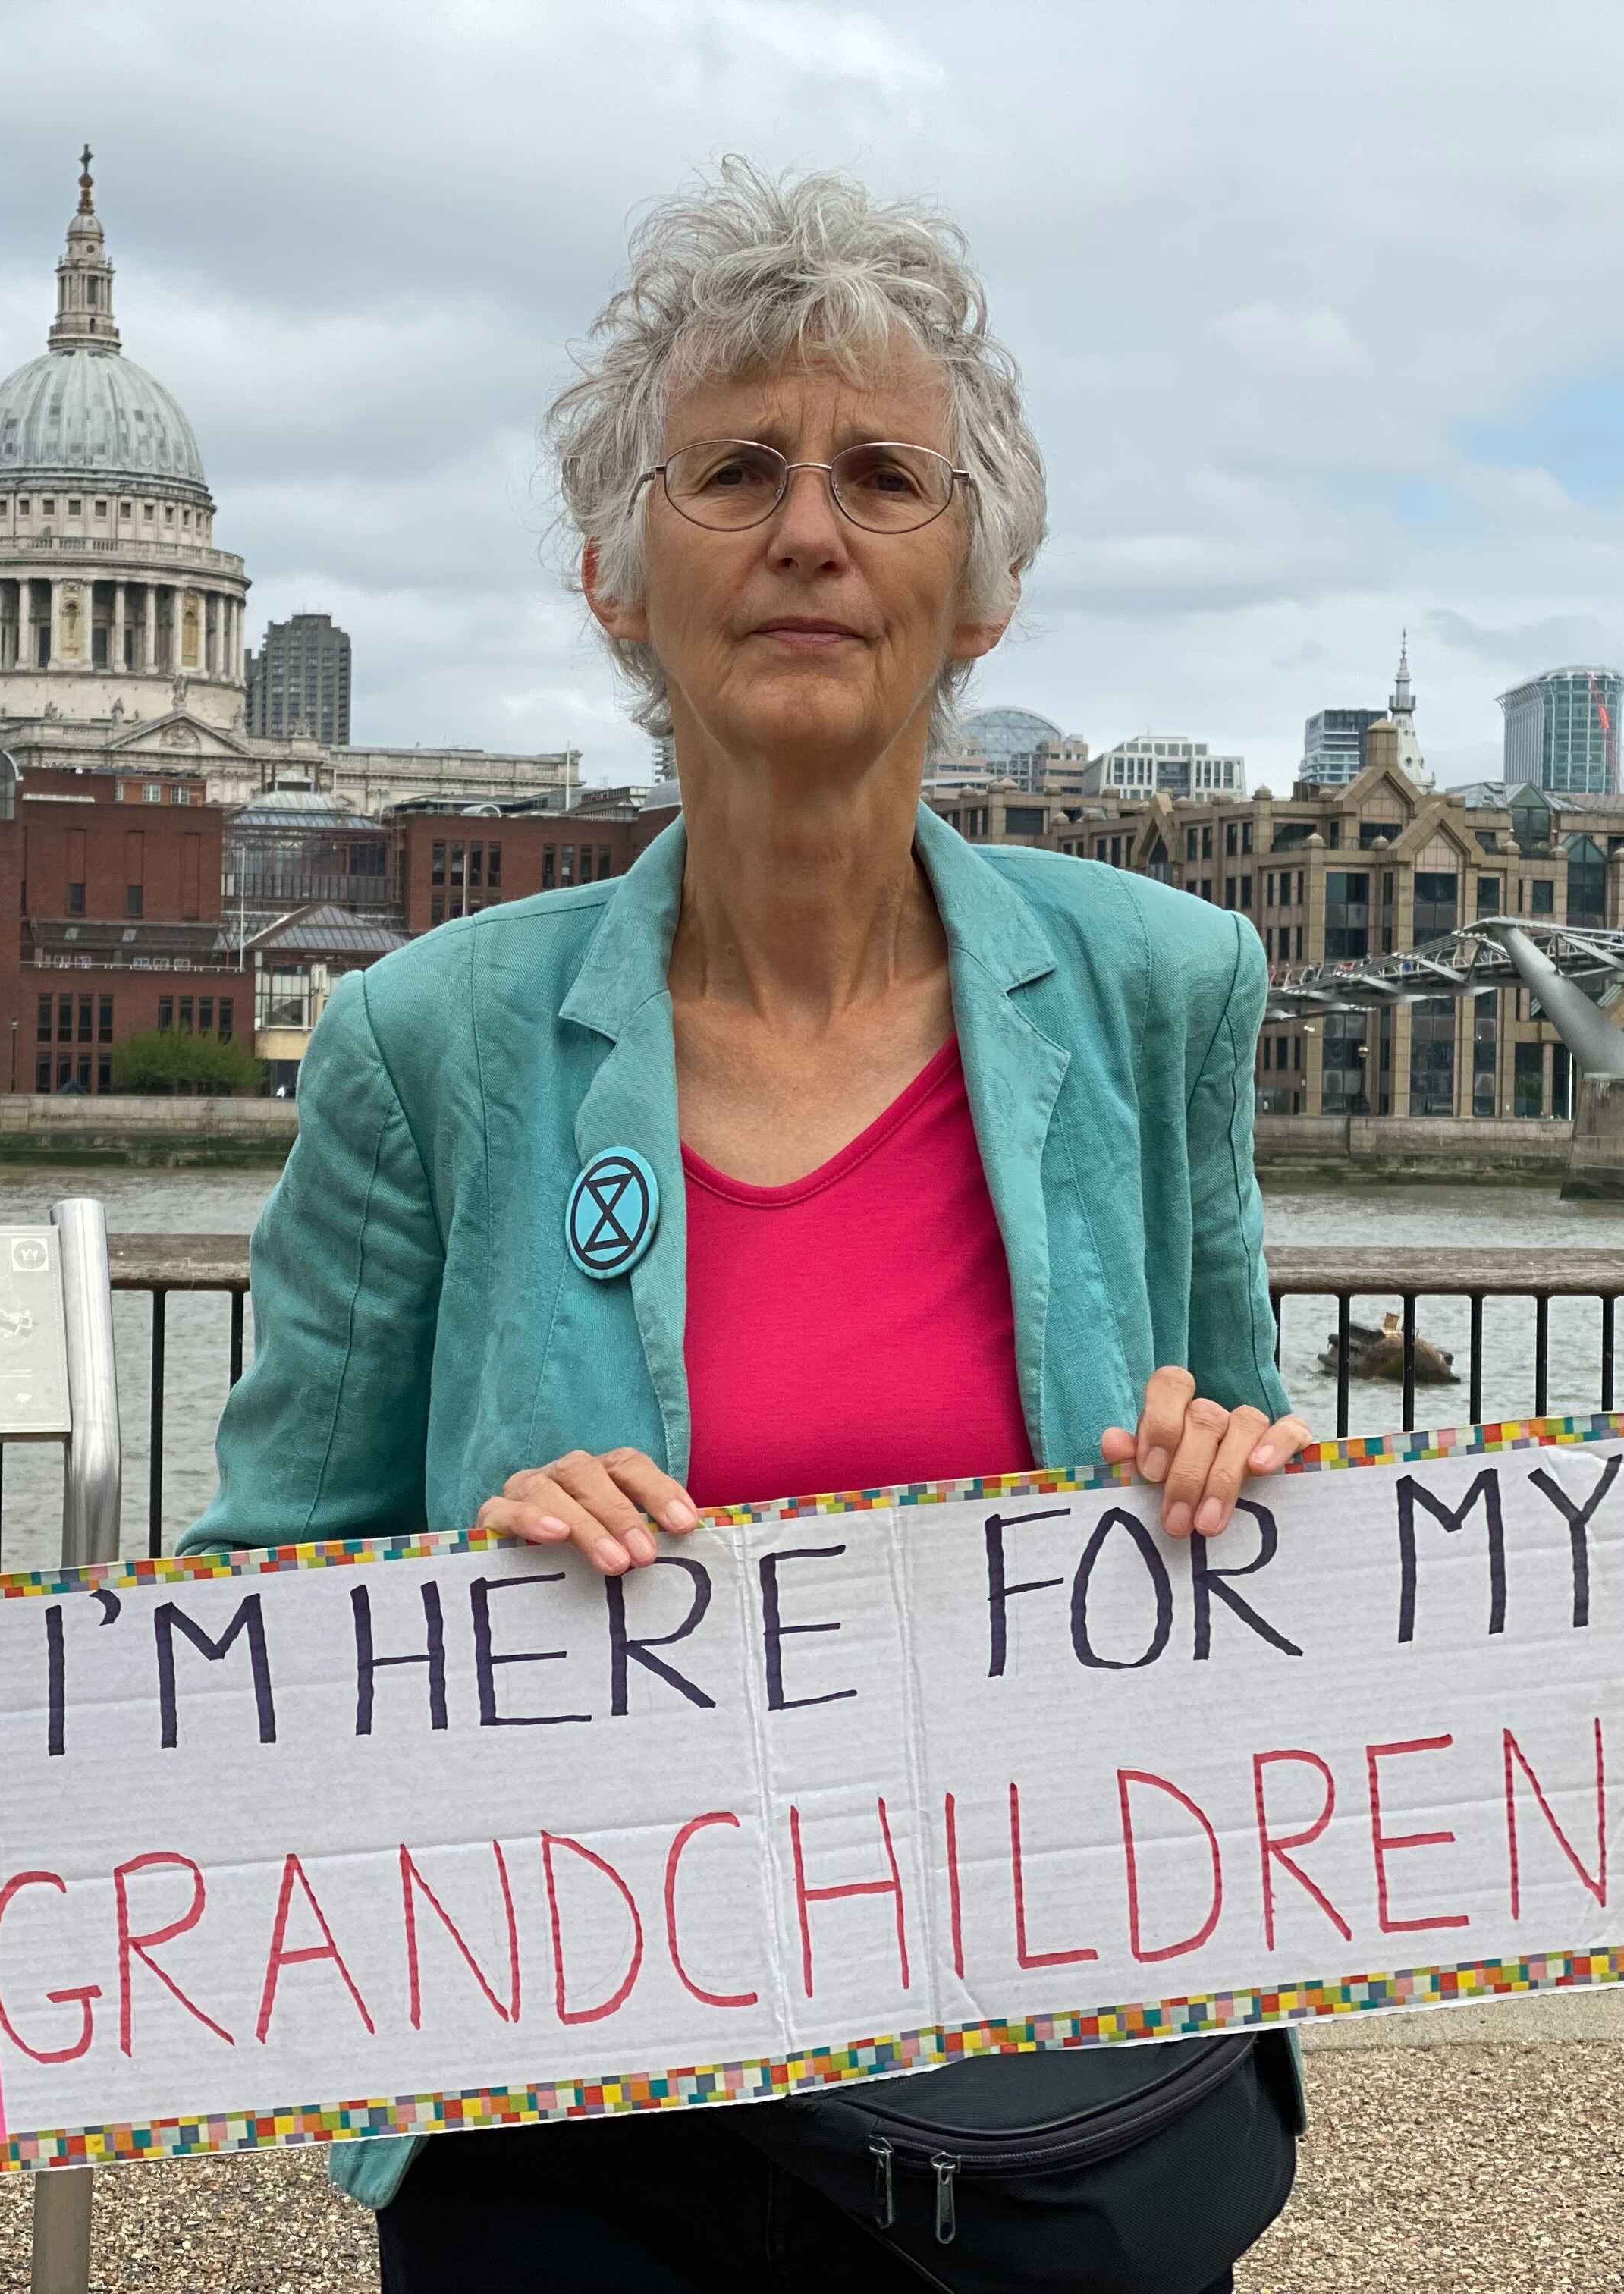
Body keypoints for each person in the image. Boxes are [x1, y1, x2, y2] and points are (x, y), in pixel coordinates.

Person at [185, 159, 1312, 2292]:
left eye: (885, 475)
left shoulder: (1171, 988)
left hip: (1053, 2106)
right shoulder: (431, 1048)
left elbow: (1259, 1495)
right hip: (587, 2124)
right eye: (734, 471)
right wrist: (465, 1592)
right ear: (621, 573)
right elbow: (255, 1599)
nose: (809, 529)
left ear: (976, 586)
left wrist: (1231, 1477)